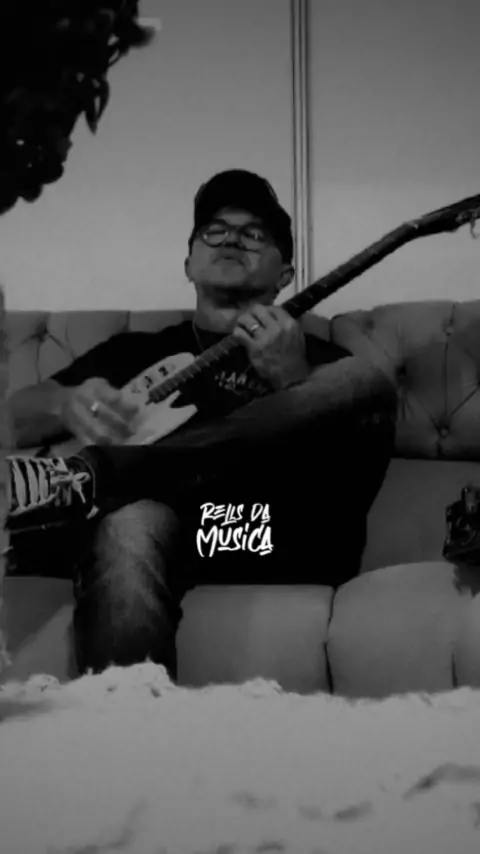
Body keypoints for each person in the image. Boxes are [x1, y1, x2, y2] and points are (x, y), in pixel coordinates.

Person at [5, 169, 398, 680]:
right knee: (130, 525)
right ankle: (129, 722)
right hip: (157, 533)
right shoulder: (135, 352)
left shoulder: (318, 359)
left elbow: (340, 484)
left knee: (365, 379)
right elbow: (14, 417)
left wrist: (291, 378)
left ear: (286, 274)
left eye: (254, 234)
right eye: (215, 230)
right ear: (188, 263)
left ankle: (98, 476)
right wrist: (63, 402)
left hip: (255, 531)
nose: (232, 239)